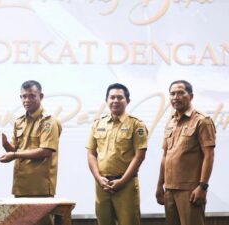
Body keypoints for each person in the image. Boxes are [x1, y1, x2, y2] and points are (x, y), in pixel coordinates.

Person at [0, 80, 62, 225]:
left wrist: (14, 155)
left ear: (41, 96)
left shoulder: (48, 122)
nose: (27, 100)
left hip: (40, 187)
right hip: (21, 186)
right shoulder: (19, 121)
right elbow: (14, 151)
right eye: (23, 96)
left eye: (32, 96)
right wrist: (4, 143)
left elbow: (45, 151)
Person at [86, 83, 148, 225]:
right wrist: (99, 178)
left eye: (120, 97)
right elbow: (91, 154)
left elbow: (140, 156)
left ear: (127, 101)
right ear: (106, 100)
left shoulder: (136, 125)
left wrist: (122, 181)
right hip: (102, 185)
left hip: (126, 185)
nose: (115, 101)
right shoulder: (98, 124)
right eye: (112, 97)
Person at [156, 80, 216, 225]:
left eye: (180, 93)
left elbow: (209, 155)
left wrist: (202, 187)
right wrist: (159, 185)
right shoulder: (171, 121)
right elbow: (165, 156)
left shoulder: (202, 120)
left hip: (190, 190)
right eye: (172, 94)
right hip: (169, 189)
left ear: (191, 96)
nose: (176, 97)